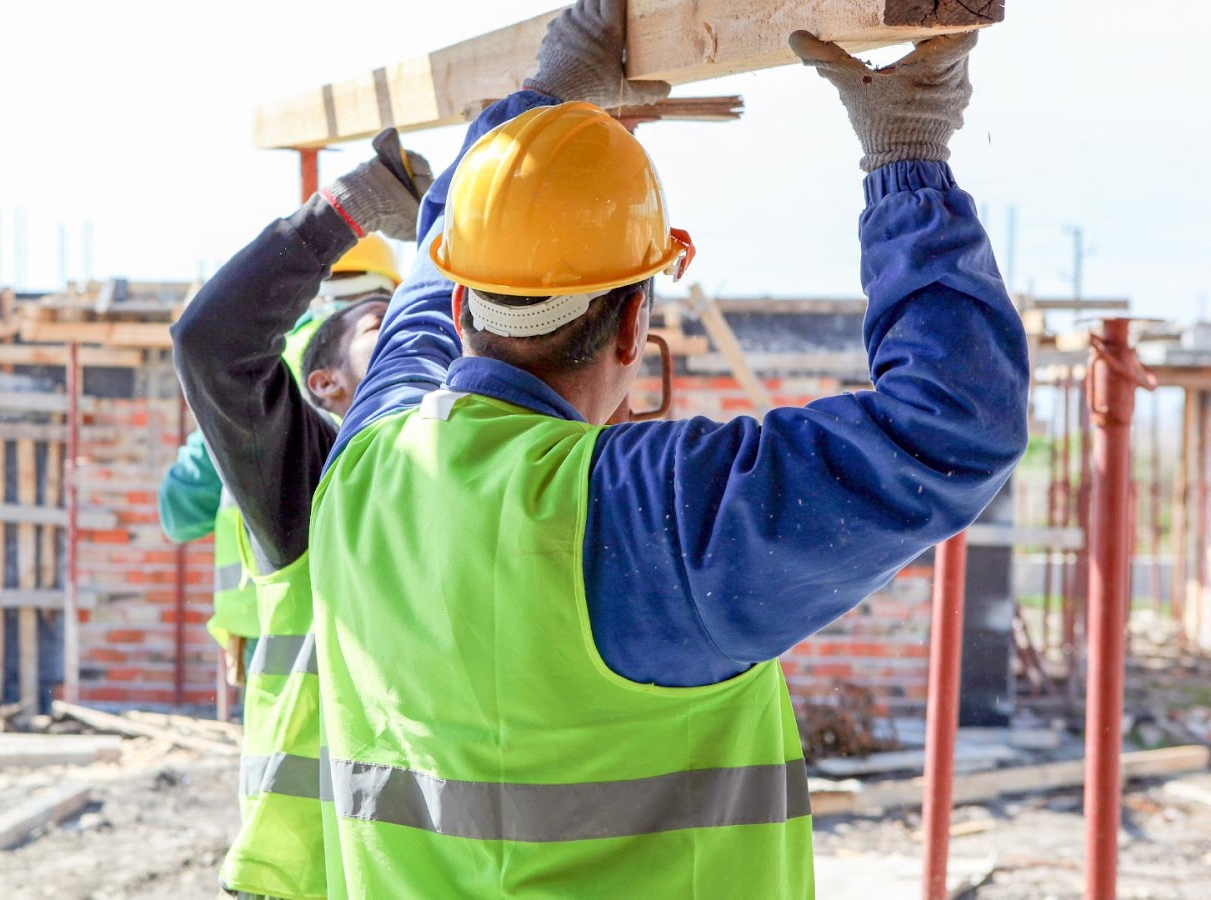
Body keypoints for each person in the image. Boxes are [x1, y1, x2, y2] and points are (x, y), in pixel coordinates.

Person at [306, 0, 1029, 896]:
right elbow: (952, 425)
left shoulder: (366, 464)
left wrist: (537, 114)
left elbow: (427, 274)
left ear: (464, 311)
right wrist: (907, 158)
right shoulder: (644, 517)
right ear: (633, 327)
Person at [170, 132, 430, 898]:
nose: (420, 343)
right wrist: (350, 208)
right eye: (386, 327)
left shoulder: (480, 480)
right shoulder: (315, 484)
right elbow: (212, 344)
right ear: (325, 387)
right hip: (308, 879)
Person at [158, 237, 403, 683]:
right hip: (386, 633)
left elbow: (179, 510)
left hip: (274, 632)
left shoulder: (256, 363)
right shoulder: (393, 349)